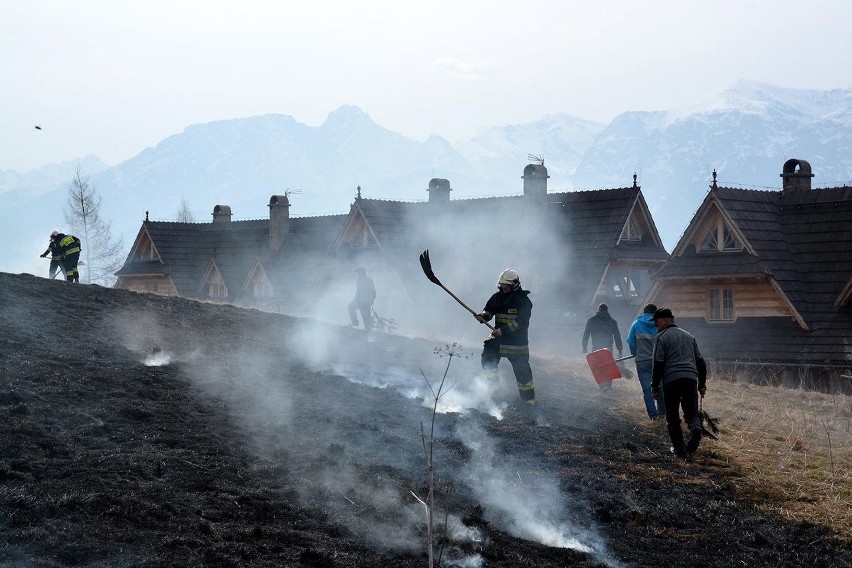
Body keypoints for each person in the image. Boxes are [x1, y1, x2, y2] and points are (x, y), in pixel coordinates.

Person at [650, 308, 707, 458]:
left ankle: (680, 451)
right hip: (690, 379)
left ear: (665, 320)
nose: (656, 326)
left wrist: (654, 386)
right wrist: (702, 384)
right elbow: (701, 362)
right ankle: (695, 429)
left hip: (671, 380)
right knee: (691, 413)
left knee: (672, 416)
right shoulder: (689, 336)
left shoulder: (660, 337)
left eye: (657, 323)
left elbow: (658, 363)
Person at [474, 268, 536, 405]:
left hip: (516, 343)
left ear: (514, 285)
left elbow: (521, 321)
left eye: (506, 285)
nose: (503, 288)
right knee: (488, 356)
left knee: (522, 370)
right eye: (501, 285)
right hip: (499, 339)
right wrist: (483, 316)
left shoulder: (524, 302)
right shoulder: (497, 297)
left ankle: (528, 399)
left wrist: (504, 330)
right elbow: (489, 310)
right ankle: (493, 391)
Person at [627, 303, 665, 420]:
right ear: (655, 313)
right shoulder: (659, 324)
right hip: (658, 362)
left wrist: (635, 352)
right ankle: (662, 413)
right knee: (659, 387)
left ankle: (653, 416)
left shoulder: (636, 324)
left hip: (642, 361)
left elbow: (630, 340)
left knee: (647, 390)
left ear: (644, 312)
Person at [582, 303, 623, 390]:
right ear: (607, 311)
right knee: (609, 365)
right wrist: (620, 349)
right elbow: (617, 337)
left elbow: (586, 334)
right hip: (608, 348)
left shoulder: (592, 320)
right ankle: (608, 386)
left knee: (598, 366)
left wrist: (584, 346)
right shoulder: (612, 321)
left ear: (599, 310)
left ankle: (601, 385)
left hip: (596, 347)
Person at [348, 266, 376, 331]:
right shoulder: (359, 280)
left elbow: (373, 292)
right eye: (357, 272)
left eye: (359, 272)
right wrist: (355, 299)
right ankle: (355, 323)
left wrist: (372, 300)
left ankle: (369, 333)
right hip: (358, 301)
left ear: (363, 272)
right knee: (350, 307)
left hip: (365, 302)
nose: (358, 274)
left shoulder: (368, 280)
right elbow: (358, 292)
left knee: (366, 318)